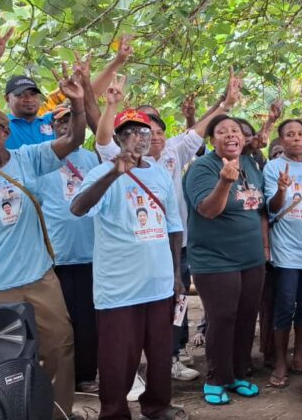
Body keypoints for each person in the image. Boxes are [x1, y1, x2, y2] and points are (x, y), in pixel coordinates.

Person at [0, 65, 88, 419]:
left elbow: (74, 140)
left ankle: (58, 413)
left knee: (59, 344)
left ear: (4, 133)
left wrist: (80, 105)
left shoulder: (29, 158)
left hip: (41, 278)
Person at [95, 71, 241, 379]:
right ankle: (132, 370)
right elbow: (102, 138)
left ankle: (172, 357)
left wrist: (225, 104)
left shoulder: (174, 150)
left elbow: (201, 129)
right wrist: (109, 104)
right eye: (140, 130)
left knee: (176, 302)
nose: (150, 135)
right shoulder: (117, 158)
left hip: (176, 244)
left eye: (155, 129)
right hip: (135, 249)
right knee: (134, 312)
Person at [70, 108, 185, 420]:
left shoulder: (160, 173)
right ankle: (114, 412)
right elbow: (78, 208)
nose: (139, 138)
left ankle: (158, 406)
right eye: (131, 133)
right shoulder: (101, 172)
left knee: (161, 354)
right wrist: (113, 174)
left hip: (159, 283)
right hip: (119, 287)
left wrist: (176, 274)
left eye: (144, 132)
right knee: (117, 358)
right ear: (118, 138)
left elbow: (173, 226)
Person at [183, 114, 267, 405]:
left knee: (246, 317)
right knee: (222, 318)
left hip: (251, 258)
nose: (230, 135)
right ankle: (216, 378)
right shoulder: (202, 168)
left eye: (235, 131)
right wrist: (223, 182)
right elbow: (207, 210)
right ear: (211, 140)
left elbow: (258, 207)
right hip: (215, 260)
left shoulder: (250, 165)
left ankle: (237, 374)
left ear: (243, 138)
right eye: (222, 131)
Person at [35, 104, 100, 394]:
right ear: (54, 127)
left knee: (88, 320)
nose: (68, 125)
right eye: (61, 121)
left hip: (92, 255)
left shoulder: (94, 160)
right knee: (59, 324)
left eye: (73, 120)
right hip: (55, 257)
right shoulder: (41, 160)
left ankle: (86, 375)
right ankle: (61, 380)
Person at [0, 25, 124, 149]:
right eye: (21, 94)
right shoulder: (2, 126)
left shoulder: (54, 120)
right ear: (7, 98)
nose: (28, 99)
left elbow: (89, 99)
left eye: (33, 94)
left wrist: (118, 60)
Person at [265, 117, 302, 387]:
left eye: (300, 133)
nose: (297, 138)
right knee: (285, 305)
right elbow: (272, 208)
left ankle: (300, 356)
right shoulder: (273, 167)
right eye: (290, 134)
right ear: (281, 140)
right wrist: (280, 189)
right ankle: (280, 361)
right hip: (286, 250)